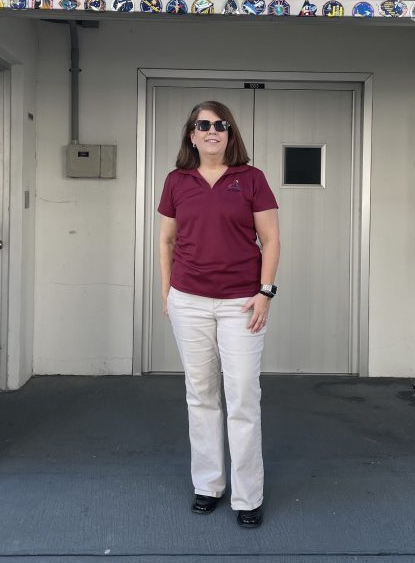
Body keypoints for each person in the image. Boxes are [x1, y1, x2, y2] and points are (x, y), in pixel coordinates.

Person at [157, 101, 280, 528]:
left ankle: (248, 496)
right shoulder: (177, 181)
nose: (212, 131)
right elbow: (166, 241)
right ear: (191, 134)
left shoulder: (251, 179)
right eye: (203, 125)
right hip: (188, 301)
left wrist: (265, 292)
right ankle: (208, 484)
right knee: (201, 394)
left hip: (240, 303)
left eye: (220, 125)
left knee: (243, 396)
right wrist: (167, 291)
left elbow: (271, 239)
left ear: (230, 133)